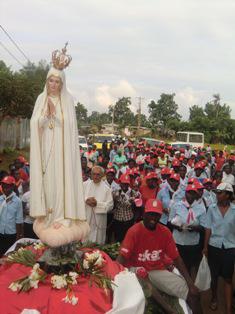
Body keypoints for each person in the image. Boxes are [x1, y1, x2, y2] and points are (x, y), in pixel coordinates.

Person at [30, 44, 90, 247]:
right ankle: (48, 215)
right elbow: (34, 123)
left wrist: (55, 117)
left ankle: (62, 216)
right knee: (48, 182)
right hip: (46, 148)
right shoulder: (41, 99)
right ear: (46, 82)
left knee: (61, 180)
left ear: (62, 84)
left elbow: (70, 126)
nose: (53, 84)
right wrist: (44, 117)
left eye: (57, 81)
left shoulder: (68, 101)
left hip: (62, 154)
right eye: (51, 80)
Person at [117, 199, 202, 314]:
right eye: (151, 214)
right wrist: (115, 277)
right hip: (136, 270)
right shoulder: (134, 231)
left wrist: (191, 284)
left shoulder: (165, 232)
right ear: (144, 214)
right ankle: (169, 310)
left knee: (193, 295)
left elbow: (177, 259)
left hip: (156, 270)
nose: (153, 218)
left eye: (157, 215)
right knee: (142, 273)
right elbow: (121, 258)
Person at [203, 183, 235, 313]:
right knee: (214, 276)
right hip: (214, 246)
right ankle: (214, 298)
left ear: (227, 195)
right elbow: (208, 228)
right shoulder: (211, 208)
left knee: (228, 278)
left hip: (230, 247)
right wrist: (205, 247)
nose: (217, 195)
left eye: (220, 193)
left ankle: (228, 308)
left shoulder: (234, 210)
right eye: (216, 192)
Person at [83, 166, 113, 244]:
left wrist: (97, 204)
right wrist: (86, 200)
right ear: (91, 174)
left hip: (99, 220)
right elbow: (78, 198)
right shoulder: (84, 185)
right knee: (85, 241)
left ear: (102, 175)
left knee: (98, 244)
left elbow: (110, 205)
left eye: (98, 174)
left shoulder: (107, 189)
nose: (95, 176)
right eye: (94, 174)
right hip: (87, 217)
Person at [0, 176, 23, 256]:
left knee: (9, 254)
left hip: (11, 233)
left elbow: (19, 220)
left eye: (8, 187)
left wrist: (18, 237)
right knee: (1, 252)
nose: (5, 189)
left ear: (13, 187)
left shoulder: (17, 201)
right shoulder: (1, 199)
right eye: (4, 187)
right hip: (1, 232)